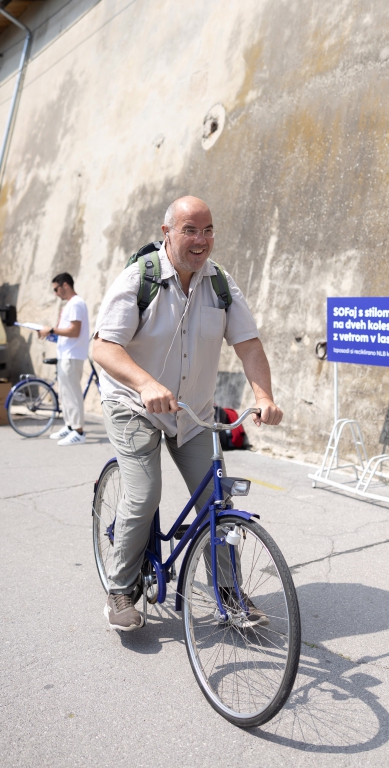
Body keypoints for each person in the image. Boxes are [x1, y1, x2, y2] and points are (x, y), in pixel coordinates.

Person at [93, 195, 282, 631]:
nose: (201, 240)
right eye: (190, 230)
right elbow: (103, 346)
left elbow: (248, 344)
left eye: (208, 230)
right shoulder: (138, 279)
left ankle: (228, 593)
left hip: (192, 411)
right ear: (167, 233)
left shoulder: (220, 284)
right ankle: (120, 590)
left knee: (217, 501)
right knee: (144, 493)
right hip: (133, 403)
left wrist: (265, 396)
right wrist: (145, 384)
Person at [38, 272, 90, 446]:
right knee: (66, 394)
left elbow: (74, 331)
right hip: (66, 355)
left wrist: (51, 330)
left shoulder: (76, 303)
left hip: (72, 356)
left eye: (56, 289)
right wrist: (50, 333)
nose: (55, 293)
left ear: (65, 285)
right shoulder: (71, 304)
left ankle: (79, 432)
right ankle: (70, 426)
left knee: (73, 394)